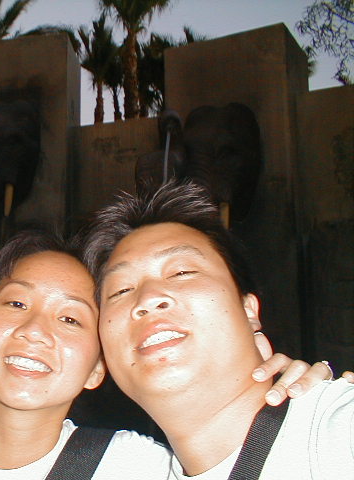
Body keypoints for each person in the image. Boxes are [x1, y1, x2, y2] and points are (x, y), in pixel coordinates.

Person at [0, 228, 334, 479]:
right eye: (16, 303)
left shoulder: (143, 468)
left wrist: (291, 394)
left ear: (98, 368)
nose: (34, 331)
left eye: (70, 319)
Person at [80, 180, 354, 479]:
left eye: (182, 272)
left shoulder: (337, 435)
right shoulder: (124, 469)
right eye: (120, 290)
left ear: (248, 310)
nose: (147, 299)